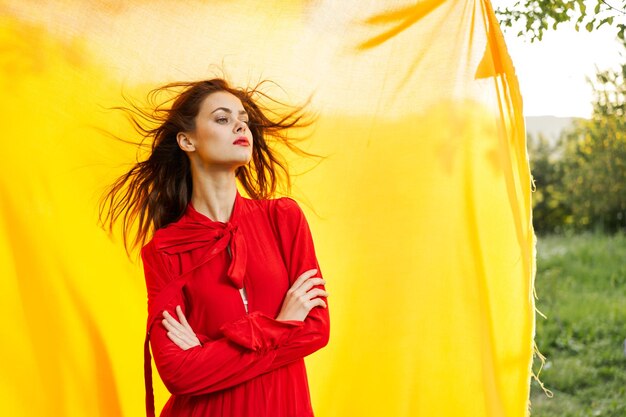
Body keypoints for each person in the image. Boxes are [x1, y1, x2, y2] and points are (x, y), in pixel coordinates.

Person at [98, 78, 330, 417]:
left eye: (243, 120)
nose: (240, 125)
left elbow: (316, 330)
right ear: (186, 140)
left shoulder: (284, 219)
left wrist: (209, 352)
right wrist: (282, 323)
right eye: (222, 118)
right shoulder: (164, 251)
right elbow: (178, 373)